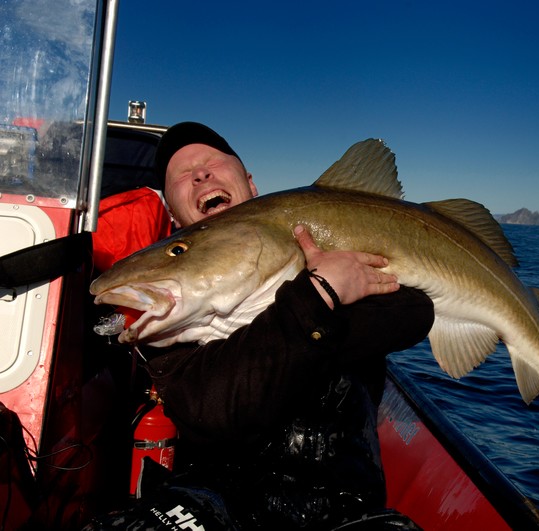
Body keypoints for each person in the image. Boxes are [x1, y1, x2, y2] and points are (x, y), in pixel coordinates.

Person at [85, 123, 434, 530]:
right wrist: (320, 294)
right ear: (174, 216)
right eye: (181, 175)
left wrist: (312, 303)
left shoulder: (329, 243)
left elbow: (415, 311)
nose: (199, 174)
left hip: (349, 504)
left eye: (213, 163)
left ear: (251, 185)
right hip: (218, 500)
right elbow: (214, 406)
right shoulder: (170, 323)